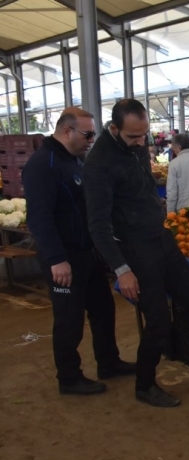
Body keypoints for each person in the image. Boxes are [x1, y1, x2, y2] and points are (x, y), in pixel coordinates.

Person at [84, 99, 189, 408]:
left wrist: (159, 211)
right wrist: (121, 269)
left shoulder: (136, 149)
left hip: (162, 238)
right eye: (133, 137)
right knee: (158, 322)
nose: (140, 143)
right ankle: (144, 385)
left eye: (144, 135)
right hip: (135, 249)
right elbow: (97, 224)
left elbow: (145, 188)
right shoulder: (98, 164)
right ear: (114, 129)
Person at [22, 107, 134, 396]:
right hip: (63, 257)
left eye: (93, 134)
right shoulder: (42, 164)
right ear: (66, 131)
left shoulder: (74, 160)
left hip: (87, 253)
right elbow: (39, 217)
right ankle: (69, 378)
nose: (91, 140)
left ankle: (108, 362)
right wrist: (57, 259)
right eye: (87, 134)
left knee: (103, 309)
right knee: (69, 320)